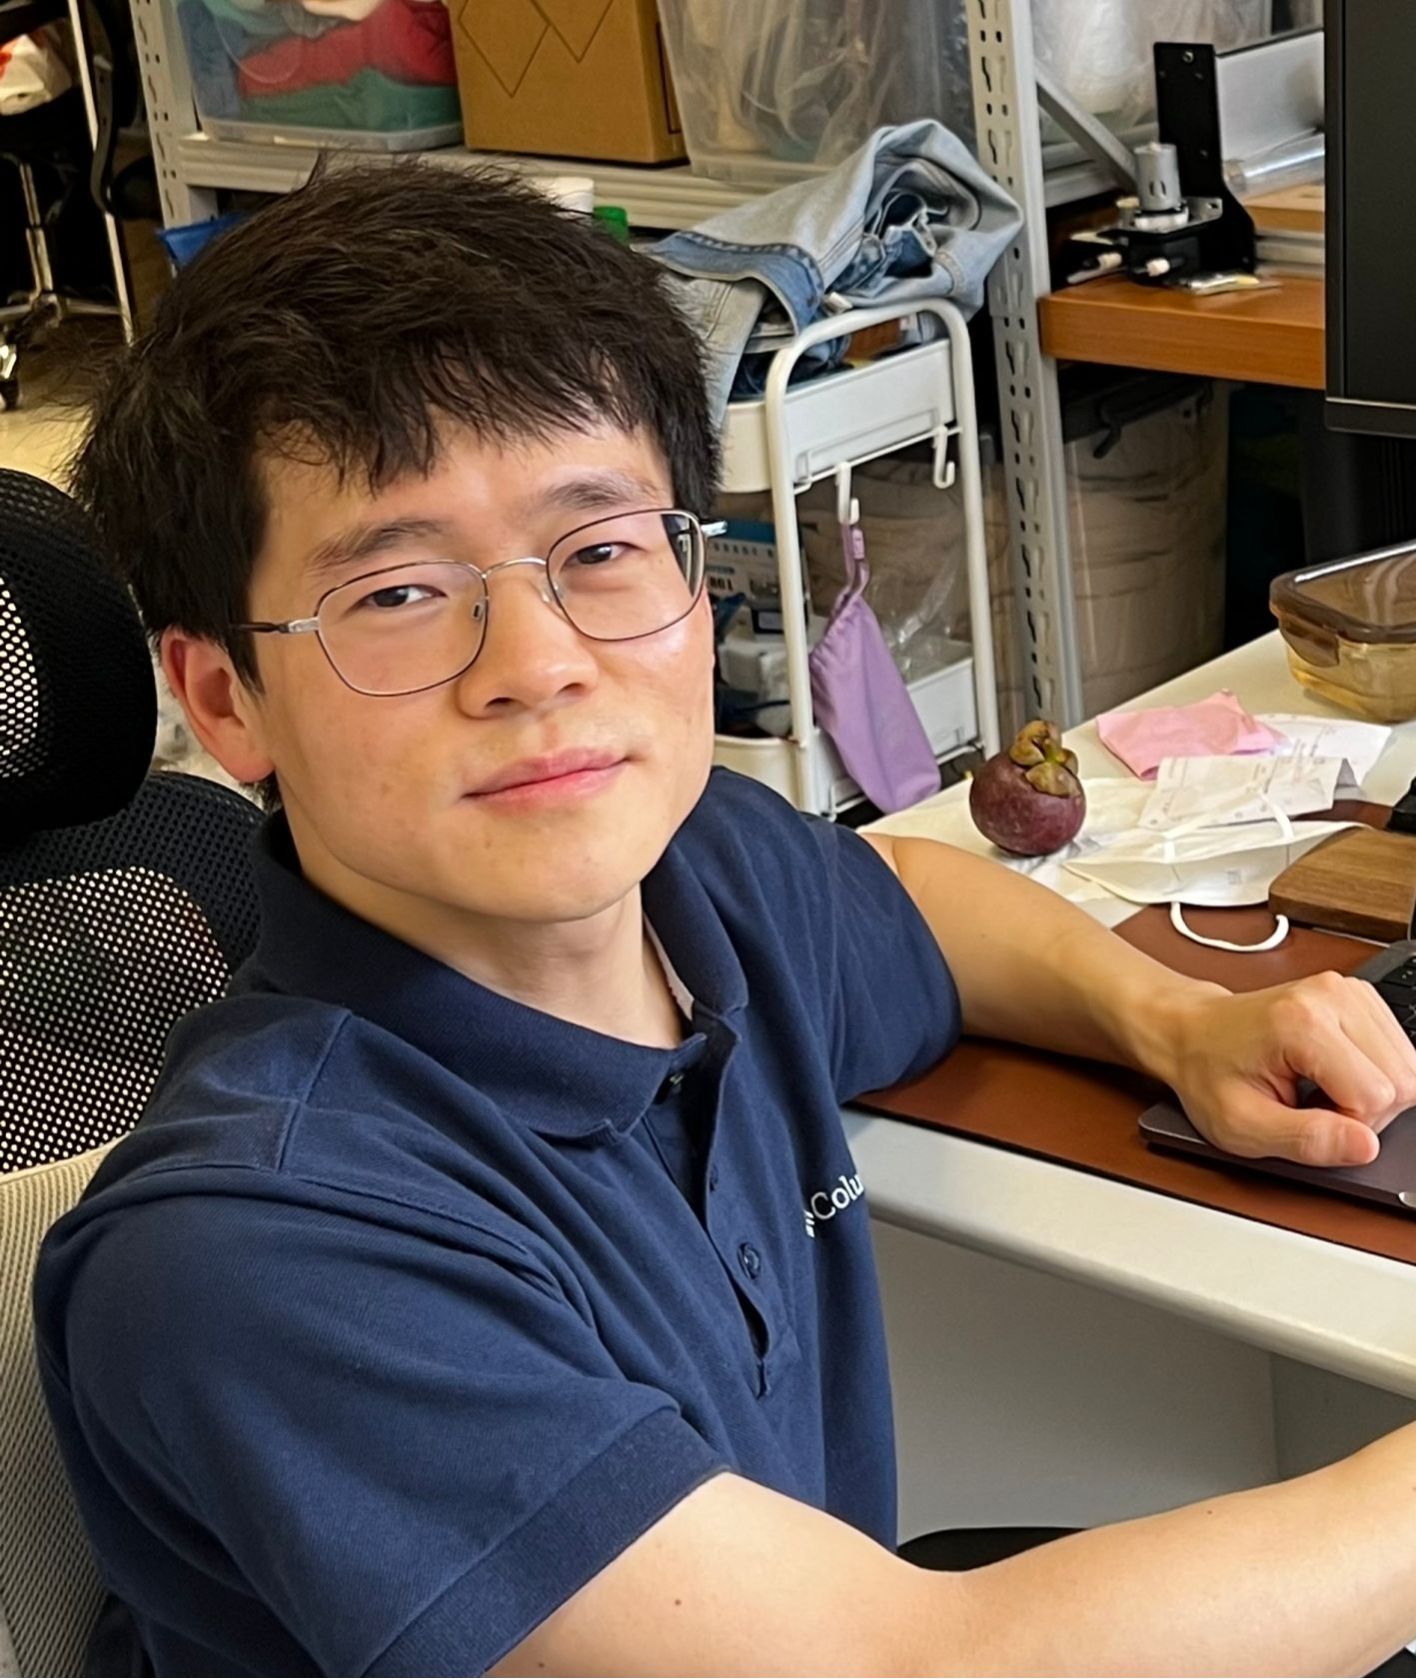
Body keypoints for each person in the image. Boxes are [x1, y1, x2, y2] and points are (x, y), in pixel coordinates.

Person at [33, 160, 1416, 1678]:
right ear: (226, 699)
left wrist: (1181, 1020)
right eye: (400, 594)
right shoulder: (263, 1251)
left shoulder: (699, 883)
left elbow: (912, 902)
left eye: (601, 550)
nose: (539, 662)